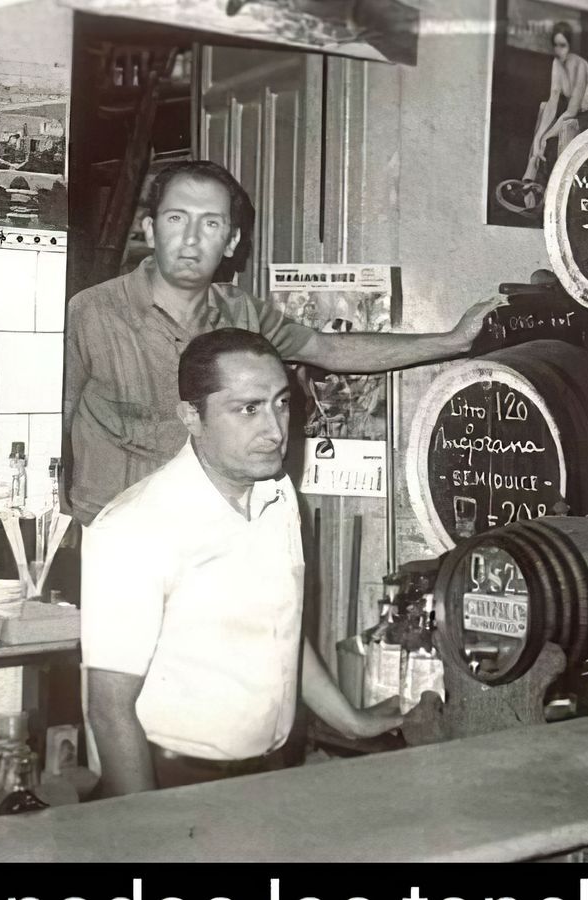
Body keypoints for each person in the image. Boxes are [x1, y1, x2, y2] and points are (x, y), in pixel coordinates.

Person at [63, 159, 503, 526]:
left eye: (210, 223)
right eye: (176, 218)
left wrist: (454, 341)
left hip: (216, 533)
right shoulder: (90, 313)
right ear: (152, 230)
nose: (191, 238)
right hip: (114, 535)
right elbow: (51, 423)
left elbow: (329, 350)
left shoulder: (244, 315)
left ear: (232, 241)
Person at [82, 329, 401, 796]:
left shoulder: (278, 494)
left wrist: (349, 720)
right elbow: (109, 711)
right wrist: (145, 832)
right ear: (192, 416)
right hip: (176, 785)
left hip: (274, 773)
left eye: (281, 403)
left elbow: (280, 627)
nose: (275, 431)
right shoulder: (135, 528)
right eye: (248, 408)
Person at [513, 21, 588, 211]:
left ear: (570, 46)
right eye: (555, 45)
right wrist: (539, 137)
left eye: (562, 45)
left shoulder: (580, 65)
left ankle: (550, 195)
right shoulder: (557, 63)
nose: (558, 50)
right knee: (543, 108)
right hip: (575, 110)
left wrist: (547, 136)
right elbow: (554, 98)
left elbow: (571, 111)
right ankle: (529, 176)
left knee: (560, 133)